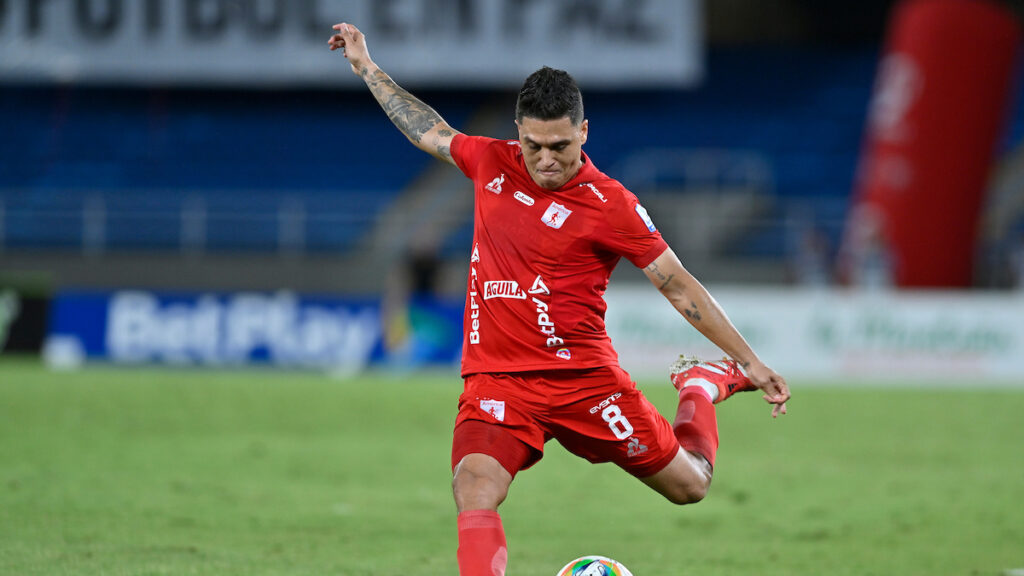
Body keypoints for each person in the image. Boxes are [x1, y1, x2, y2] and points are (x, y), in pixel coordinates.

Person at [329, 23, 791, 576]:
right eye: (533, 145)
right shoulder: (490, 162)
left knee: (690, 486)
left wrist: (748, 362)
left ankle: (700, 385)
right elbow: (426, 130)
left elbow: (677, 283)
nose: (546, 159)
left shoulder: (611, 203)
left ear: (584, 132)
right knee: (474, 486)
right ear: (517, 132)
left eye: (560, 146)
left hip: (584, 382)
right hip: (498, 381)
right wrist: (365, 65)